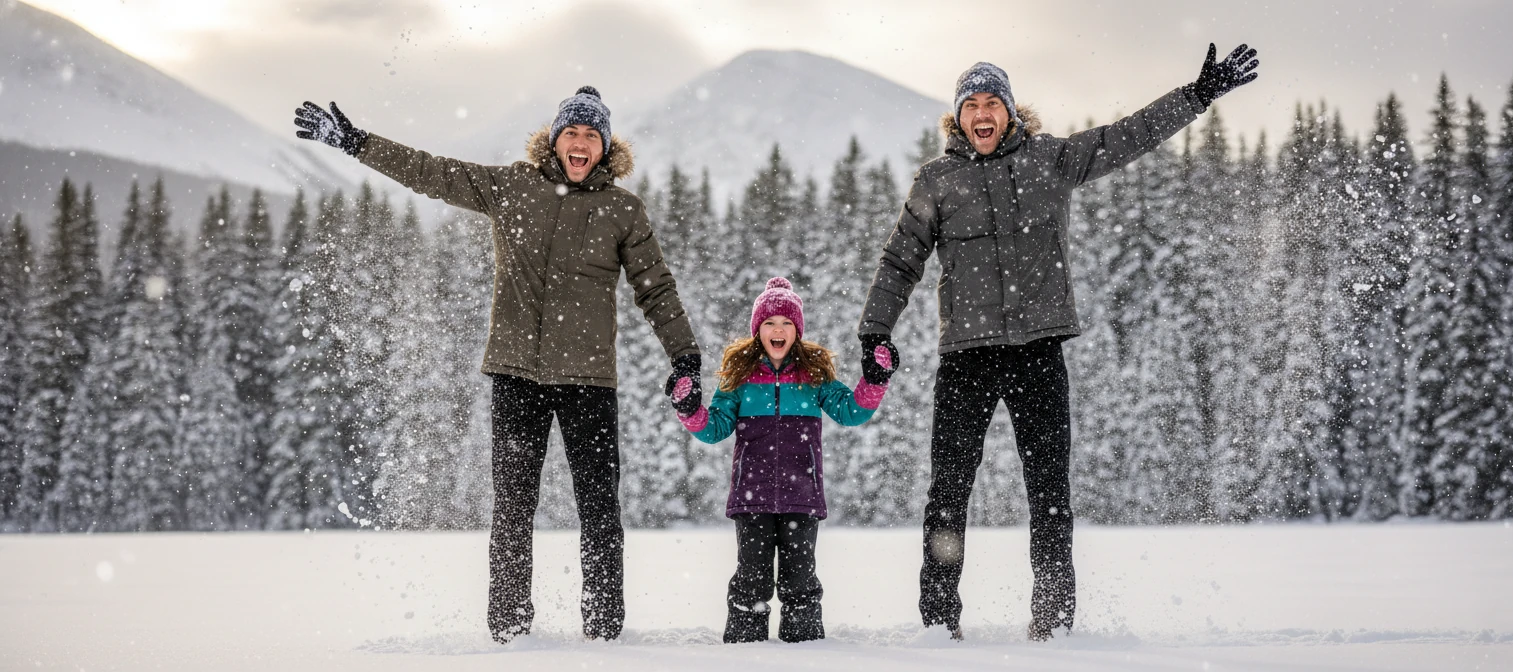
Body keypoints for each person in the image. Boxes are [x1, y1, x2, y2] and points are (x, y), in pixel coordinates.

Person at [856, 45, 1260, 641]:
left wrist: (1195, 97)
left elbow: (1129, 136)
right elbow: (899, 262)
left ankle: (1054, 624)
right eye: (973, 104)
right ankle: (939, 628)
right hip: (966, 357)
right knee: (948, 491)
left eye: (994, 102)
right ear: (958, 118)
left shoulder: (1051, 159)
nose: (983, 113)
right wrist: (874, 332)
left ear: (1012, 112)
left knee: (1050, 494)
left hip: (1038, 351)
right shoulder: (937, 182)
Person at [293, 87, 703, 642]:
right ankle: (510, 632)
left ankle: (605, 633)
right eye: (572, 133)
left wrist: (684, 356)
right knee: (512, 508)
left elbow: (656, 289)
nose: (579, 144)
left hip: (588, 382)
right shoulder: (511, 186)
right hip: (517, 376)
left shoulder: (622, 210)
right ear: (555, 139)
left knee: (600, 509)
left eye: (591, 136)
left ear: (604, 148)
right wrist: (356, 142)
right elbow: (430, 172)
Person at [671, 277, 895, 643]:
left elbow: (851, 411)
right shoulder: (738, 378)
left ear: (797, 330)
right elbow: (713, 428)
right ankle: (744, 653)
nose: (778, 330)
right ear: (758, 330)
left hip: (801, 496)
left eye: (786, 323)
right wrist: (688, 409)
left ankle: (804, 649)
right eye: (770, 323)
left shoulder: (814, 375)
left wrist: (875, 380)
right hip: (752, 496)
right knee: (751, 580)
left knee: (800, 580)